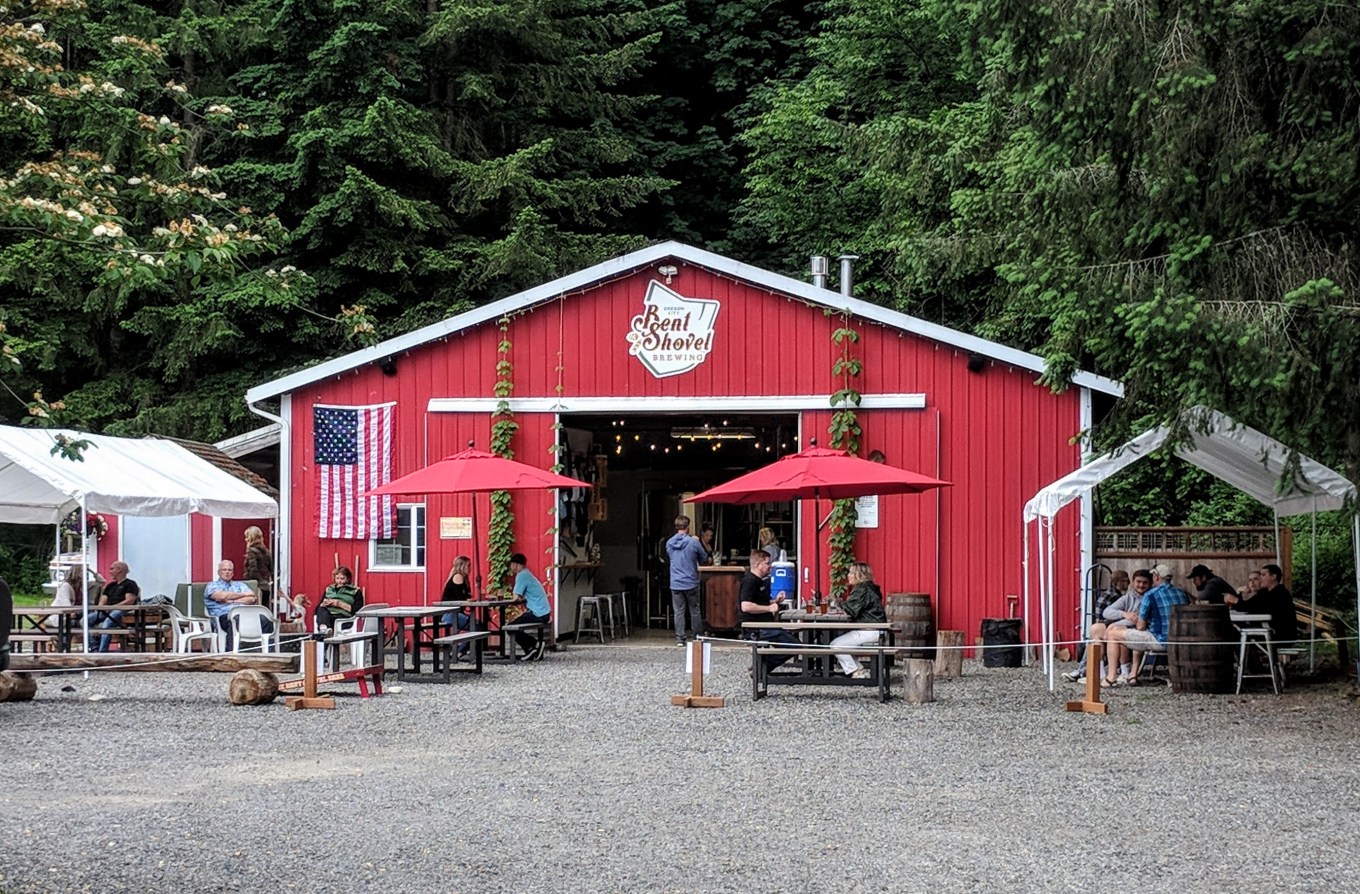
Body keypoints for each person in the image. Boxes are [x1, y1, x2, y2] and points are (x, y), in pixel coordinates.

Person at [1102, 563, 1187, 686]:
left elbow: (1141, 626)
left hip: (1160, 640)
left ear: (1157, 577)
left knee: (1113, 634)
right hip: (1181, 640)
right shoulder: (1181, 593)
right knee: (1137, 634)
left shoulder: (1150, 595)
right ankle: (1132, 675)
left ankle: (1111, 678)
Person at [1065, 569, 1140, 682]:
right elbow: (1107, 614)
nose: (1128, 583)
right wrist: (1123, 615)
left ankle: (1089, 670)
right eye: (1124, 581)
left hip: (1120, 626)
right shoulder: (1114, 596)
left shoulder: (1114, 594)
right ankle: (1097, 672)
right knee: (1096, 630)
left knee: (1101, 632)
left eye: (1128, 580)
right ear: (1116, 583)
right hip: (1108, 624)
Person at [738, 549, 797, 673]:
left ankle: (760, 666)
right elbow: (746, 606)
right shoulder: (750, 581)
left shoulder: (760, 581)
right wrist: (769, 608)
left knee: (792, 643)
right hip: (757, 628)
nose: (770, 566)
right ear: (759, 565)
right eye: (767, 563)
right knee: (793, 645)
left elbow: (758, 602)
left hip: (765, 625)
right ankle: (761, 669)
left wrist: (775, 601)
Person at [830, 562, 887, 679]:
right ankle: (859, 669)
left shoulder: (861, 589)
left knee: (836, 645)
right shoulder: (871, 587)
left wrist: (837, 601)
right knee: (841, 643)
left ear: (858, 575)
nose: (848, 576)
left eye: (851, 573)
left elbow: (850, 609)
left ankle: (855, 671)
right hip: (877, 630)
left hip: (869, 630)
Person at [205, 559, 267, 650]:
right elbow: (221, 596)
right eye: (224, 570)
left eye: (229, 570)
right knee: (234, 619)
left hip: (245, 614)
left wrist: (233, 601)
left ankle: (265, 651)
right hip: (223, 616)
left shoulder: (240, 585)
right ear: (219, 572)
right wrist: (243, 595)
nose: (227, 572)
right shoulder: (212, 586)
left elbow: (251, 598)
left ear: (233, 573)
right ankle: (231, 653)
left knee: (264, 619)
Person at [1226, 563, 1296, 644]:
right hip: (1267, 630)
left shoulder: (1280, 594)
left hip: (1280, 635)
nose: (1261, 578)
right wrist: (1237, 599)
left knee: (1234, 633)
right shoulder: (1264, 593)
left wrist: (1236, 601)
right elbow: (1247, 605)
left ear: (1273, 577)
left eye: (1263, 575)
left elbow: (1255, 608)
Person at [666, 515, 708, 646]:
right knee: (695, 610)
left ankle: (680, 638)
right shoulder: (693, 542)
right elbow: (704, 558)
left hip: (676, 582)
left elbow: (669, 557)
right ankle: (697, 637)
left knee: (678, 611)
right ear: (688, 527)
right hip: (691, 581)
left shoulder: (669, 543)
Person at [89, 561, 140, 652]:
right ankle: (94, 648)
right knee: (85, 621)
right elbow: (102, 600)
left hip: (122, 610)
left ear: (120, 570)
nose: (109, 571)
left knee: (107, 623)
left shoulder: (130, 584)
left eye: (112, 569)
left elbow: (129, 601)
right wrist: (101, 608)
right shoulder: (110, 586)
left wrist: (113, 607)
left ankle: (102, 651)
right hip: (106, 610)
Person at [509, 552, 551, 661]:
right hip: (544, 612)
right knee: (514, 626)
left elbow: (515, 597)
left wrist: (517, 597)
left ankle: (534, 644)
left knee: (510, 628)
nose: (511, 567)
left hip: (538, 613)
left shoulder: (521, 575)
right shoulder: (528, 574)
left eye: (512, 564)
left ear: (517, 565)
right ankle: (530, 650)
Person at [439, 555, 475, 659]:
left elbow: (466, 597)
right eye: (468, 566)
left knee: (478, 626)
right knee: (477, 627)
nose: (470, 568)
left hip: (456, 613)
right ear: (461, 566)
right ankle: (459, 651)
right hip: (450, 614)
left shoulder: (464, 579)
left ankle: (462, 650)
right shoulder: (458, 577)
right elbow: (461, 599)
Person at [314, 566, 363, 634]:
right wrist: (324, 603)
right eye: (337, 578)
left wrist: (340, 604)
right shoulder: (329, 589)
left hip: (343, 617)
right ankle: (325, 630)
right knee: (321, 609)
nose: (339, 581)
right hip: (327, 616)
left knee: (330, 620)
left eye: (342, 578)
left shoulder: (355, 591)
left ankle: (326, 633)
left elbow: (358, 610)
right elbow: (316, 610)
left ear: (348, 578)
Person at [242, 526, 274, 607]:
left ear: (251, 538)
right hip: (265, 586)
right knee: (264, 609)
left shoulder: (251, 551)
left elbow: (253, 570)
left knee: (253, 611)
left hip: (254, 586)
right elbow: (271, 570)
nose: (245, 539)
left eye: (247, 537)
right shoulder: (267, 552)